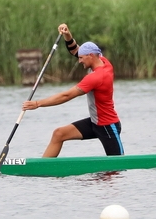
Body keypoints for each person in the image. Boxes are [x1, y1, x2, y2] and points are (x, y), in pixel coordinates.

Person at [22, 23, 125, 157]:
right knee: (59, 134)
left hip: (108, 126)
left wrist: (37, 104)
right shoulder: (103, 60)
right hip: (95, 122)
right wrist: (67, 34)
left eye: (81, 58)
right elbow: (75, 50)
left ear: (91, 56)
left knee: (118, 167)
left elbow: (66, 95)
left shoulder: (97, 77)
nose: (79, 61)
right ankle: (42, 168)